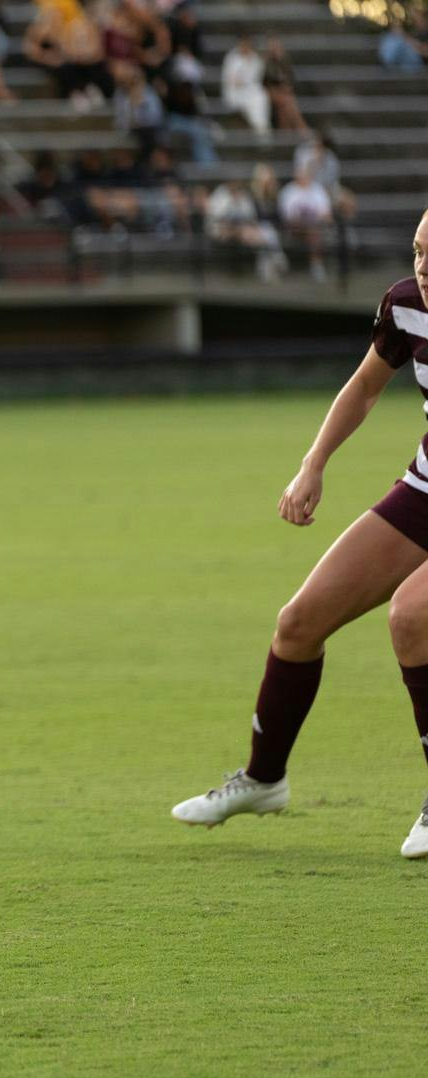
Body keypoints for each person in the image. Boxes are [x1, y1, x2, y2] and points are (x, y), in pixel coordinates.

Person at [172, 212, 428, 856]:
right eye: (419, 250)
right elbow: (366, 386)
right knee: (299, 622)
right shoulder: (406, 305)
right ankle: (263, 778)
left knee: (412, 616)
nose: (423, 266)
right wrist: (314, 464)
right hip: (425, 490)